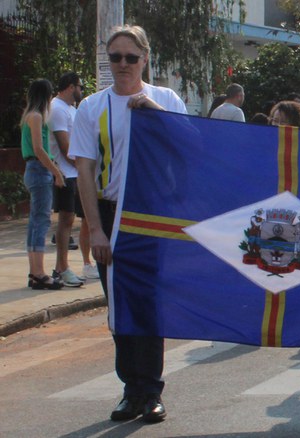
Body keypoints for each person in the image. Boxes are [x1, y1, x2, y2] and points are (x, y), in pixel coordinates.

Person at [69, 24, 187, 423]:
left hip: (151, 213)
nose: (122, 64)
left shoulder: (166, 99)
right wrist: (95, 229)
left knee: (148, 302)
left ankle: (151, 390)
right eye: (114, 57)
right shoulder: (91, 107)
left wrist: (153, 112)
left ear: (145, 59)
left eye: (130, 57)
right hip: (109, 212)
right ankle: (130, 389)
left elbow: (190, 147)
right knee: (119, 305)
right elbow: (84, 171)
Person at [21, 79, 65, 290]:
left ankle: (34, 272)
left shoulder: (29, 115)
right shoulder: (37, 117)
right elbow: (39, 149)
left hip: (33, 170)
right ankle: (39, 272)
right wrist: (56, 171)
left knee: (35, 221)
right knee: (41, 221)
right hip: (39, 171)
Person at [49, 72, 88, 287]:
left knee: (73, 220)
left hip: (76, 173)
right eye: (79, 87)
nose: (81, 91)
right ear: (71, 86)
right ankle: (62, 268)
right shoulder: (56, 108)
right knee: (65, 221)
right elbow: (65, 148)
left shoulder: (71, 109)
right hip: (66, 173)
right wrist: (83, 166)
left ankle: (62, 267)